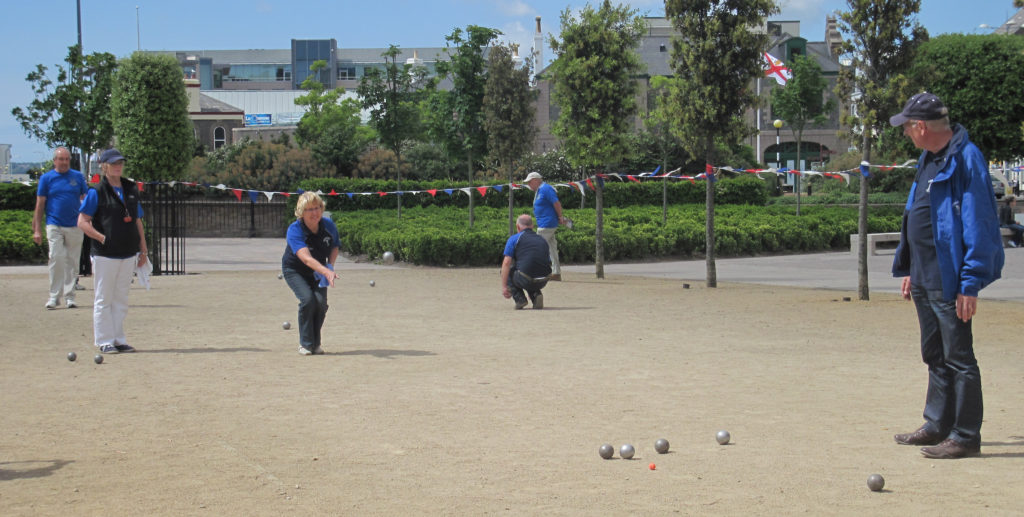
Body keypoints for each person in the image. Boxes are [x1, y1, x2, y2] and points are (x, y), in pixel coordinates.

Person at [889, 92, 1004, 459]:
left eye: (907, 126)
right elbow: (915, 213)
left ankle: (966, 435)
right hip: (923, 273)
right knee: (934, 354)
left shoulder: (965, 158)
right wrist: (908, 266)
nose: (905, 132)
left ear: (921, 126)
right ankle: (937, 424)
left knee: (959, 357)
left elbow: (979, 221)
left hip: (949, 275)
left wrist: (969, 283)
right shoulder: (928, 158)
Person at [77, 148, 148, 354]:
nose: (118, 166)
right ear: (104, 165)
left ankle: (118, 338)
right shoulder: (96, 191)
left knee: (121, 298)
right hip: (105, 253)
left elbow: (137, 220)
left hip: (128, 251)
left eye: (120, 162)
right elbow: (82, 222)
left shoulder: (131, 188)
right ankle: (104, 339)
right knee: (104, 297)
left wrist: (143, 249)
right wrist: (100, 237)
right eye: (114, 163)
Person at [282, 192, 339, 355]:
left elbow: (335, 246)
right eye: (309, 209)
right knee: (308, 300)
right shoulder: (295, 230)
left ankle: (316, 343)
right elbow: (306, 258)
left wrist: (330, 266)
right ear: (301, 212)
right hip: (295, 270)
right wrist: (326, 271)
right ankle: (306, 344)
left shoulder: (328, 226)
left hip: (320, 271)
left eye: (317, 208)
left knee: (320, 303)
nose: (314, 213)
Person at [33, 147, 88, 309]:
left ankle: (70, 296)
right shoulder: (46, 178)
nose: (64, 162)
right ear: (54, 160)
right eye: (61, 159)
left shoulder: (77, 177)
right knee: (56, 257)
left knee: (72, 261)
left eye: (66, 159)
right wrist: (36, 228)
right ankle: (54, 296)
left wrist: (87, 220)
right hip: (54, 223)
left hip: (74, 224)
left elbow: (85, 199)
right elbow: (40, 203)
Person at [500, 214, 551, 309]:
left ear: (518, 227)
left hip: (526, 278)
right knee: (528, 269)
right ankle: (536, 294)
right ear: (532, 226)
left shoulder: (514, 239)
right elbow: (547, 261)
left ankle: (520, 299)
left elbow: (506, 263)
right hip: (544, 279)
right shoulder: (542, 239)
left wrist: (504, 287)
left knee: (511, 271)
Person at [524, 171, 567, 281]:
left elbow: (556, 203)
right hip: (546, 223)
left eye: (529, 182)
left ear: (536, 180)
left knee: (537, 247)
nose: (528, 185)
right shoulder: (540, 190)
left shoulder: (545, 188)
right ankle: (556, 273)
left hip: (547, 223)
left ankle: (535, 272)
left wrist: (560, 216)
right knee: (552, 248)